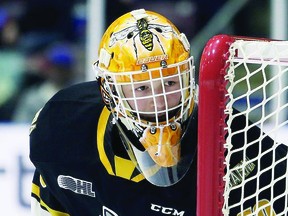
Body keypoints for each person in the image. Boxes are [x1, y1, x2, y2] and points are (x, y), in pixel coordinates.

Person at [29, 9, 287, 216]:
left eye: (170, 83)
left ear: (188, 79)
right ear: (109, 91)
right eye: (142, 87)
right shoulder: (63, 127)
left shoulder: (242, 150)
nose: (159, 100)